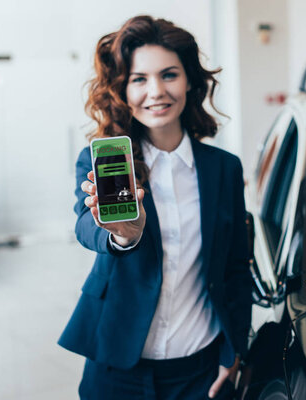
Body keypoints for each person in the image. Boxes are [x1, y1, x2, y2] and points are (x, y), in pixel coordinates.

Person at [58, 15, 252, 400]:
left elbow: (235, 266)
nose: (156, 91)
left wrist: (234, 352)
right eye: (139, 79)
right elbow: (86, 225)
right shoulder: (108, 160)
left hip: (200, 366)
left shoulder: (223, 168)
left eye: (169, 74)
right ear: (122, 89)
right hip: (117, 365)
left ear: (190, 81)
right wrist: (121, 236)